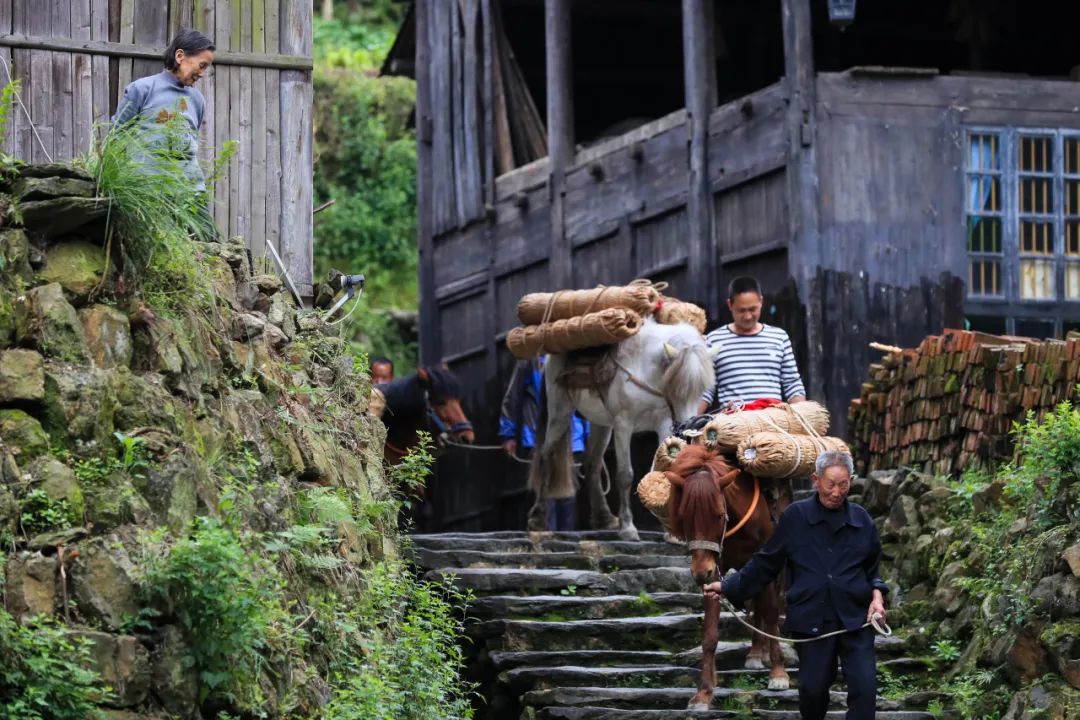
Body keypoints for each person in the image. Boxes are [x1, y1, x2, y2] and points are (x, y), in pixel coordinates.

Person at [703, 451, 888, 720]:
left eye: (843, 485)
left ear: (851, 480)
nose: (837, 492)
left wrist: (877, 599)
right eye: (830, 484)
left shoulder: (862, 521)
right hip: (812, 620)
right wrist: (729, 587)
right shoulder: (795, 517)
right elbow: (767, 562)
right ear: (816, 480)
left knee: (865, 690)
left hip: (855, 619)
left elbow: (874, 571)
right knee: (812, 692)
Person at [111, 28, 216, 241]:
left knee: (208, 244)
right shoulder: (142, 89)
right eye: (201, 65)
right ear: (180, 56)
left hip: (190, 190)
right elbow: (116, 134)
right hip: (149, 189)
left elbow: (191, 140)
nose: (202, 73)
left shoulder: (197, 100)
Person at [499, 355, 588, 530]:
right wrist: (507, 435)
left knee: (568, 495)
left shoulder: (572, 355)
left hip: (573, 439)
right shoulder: (529, 360)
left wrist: (588, 433)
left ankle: (566, 542)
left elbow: (585, 400)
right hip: (537, 438)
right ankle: (547, 541)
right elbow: (513, 397)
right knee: (544, 494)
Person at [697, 276, 806, 415]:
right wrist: (688, 425)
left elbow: (792, 384)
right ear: (730, 305)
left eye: (752, 309)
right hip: (734, 423)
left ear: (761, 301)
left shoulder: (779, 337)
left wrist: (803, 415)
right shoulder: (714, 340)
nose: (748, 316)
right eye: (741, 310)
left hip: (774, 422)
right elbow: (706, 390)